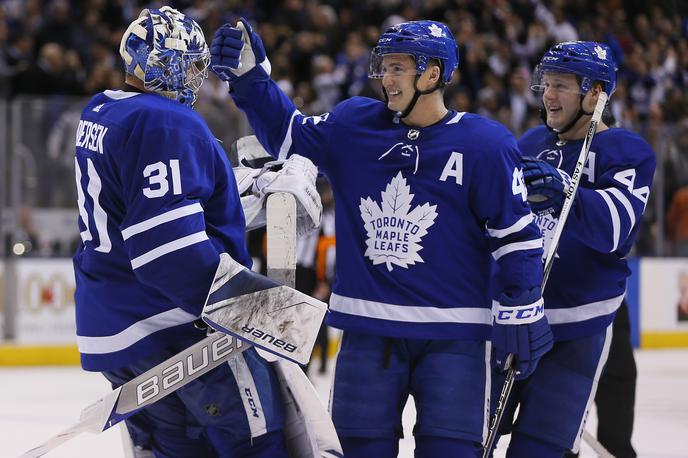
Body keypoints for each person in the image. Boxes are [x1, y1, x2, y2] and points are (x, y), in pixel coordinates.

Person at [209, 18, 552, 457]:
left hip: (457, 338)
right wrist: (251, 80)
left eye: (398, 68)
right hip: (367, 332)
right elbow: (289, 135)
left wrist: (522, 305)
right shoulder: (354, 125)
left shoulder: (485, 144)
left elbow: (516, 237)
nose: (386, 79)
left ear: (433, 73)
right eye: (384, 67)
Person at [73, 7, 292, 457]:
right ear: (163, 62)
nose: (198, 76)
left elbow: (137, 206)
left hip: (114, 323)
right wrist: (258, 312)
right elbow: (167, 252)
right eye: (191, 63)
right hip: (179, 326)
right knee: (260, 443)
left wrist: (228, 187)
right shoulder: (166, 120)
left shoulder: (103, 110)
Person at [492, 41, 656, 457]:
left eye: (561, 85)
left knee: (542, 447)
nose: (548, 95)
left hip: (580, 325)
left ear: (595, 93)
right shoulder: (530, 142)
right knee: (468, 439)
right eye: (545, 84)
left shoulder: (625, 150)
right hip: (513, 319)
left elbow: (617, 229)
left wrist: (568, 191)